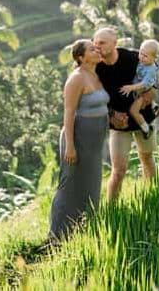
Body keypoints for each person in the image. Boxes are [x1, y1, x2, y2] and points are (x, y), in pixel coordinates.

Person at [48, 39, 110, 241]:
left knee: (91, 183)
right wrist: (70, 146)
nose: (97, 50)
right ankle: (56, 234)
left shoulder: (96, 75)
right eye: (92, 49)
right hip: (77, 139)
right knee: (69, 185)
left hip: (94, 142)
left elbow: (100, 104)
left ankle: (86, 226)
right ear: (80, 57)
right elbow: (69, 113)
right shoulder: (76, 79)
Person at [93, 27, 158, 201]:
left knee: (147, 158)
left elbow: (153, 74)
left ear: (114, 43)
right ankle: (112, 210)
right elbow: (93, 99)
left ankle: (154, 197)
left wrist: (151, 93)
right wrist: (112, 115)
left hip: (143, 117)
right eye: (95, 43)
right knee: (119, 169)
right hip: (118, 125)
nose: (97, 46)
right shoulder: (95, 68)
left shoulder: (133, 58)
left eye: (101, 42)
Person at [119, 39, 159, 139]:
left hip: (144, 92)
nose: (141, 57)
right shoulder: (141, 60)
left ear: (154, 58)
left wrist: (131, 87)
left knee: (133, 111)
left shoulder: (150, 69)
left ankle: (146, 129)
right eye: (140, 53)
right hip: (140, 90)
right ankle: (154, 106)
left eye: (145, 56)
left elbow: (145, 84)